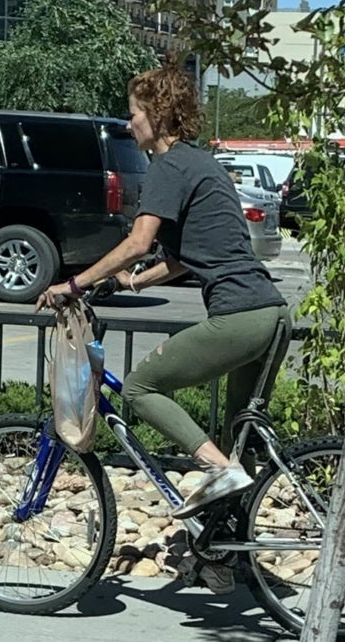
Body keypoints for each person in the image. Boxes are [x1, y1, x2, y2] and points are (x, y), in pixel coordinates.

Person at [35, 61, 291, 525]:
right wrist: (129, 282)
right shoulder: (199, 162)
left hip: (239, 315)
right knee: (240, 439)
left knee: (139, 387)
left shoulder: (168, 165)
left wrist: (72, 284)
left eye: (133, 113)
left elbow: (139, 242)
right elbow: (182, 257)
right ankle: (228, 549)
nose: (129, 123)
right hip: (269, 314)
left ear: (157, 113)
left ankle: (217, 470)